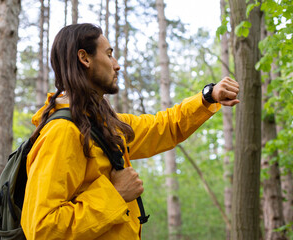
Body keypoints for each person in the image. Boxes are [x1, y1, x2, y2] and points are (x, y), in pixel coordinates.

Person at [21, 23, 240, 240]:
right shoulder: (62, 132)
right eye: (108, 55)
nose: (116, 65)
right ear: (84, 58)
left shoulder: (103, 126)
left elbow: (163, 127)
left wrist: (208, 96)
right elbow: (41, 229)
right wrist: (114, 195)